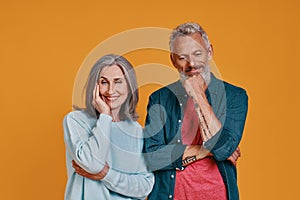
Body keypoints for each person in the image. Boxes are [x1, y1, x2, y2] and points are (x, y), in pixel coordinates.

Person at [143, 22, 248, 200]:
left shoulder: (235, 96)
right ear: (173, 60)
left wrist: (198, 94)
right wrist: (205, 150)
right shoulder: (159, 98)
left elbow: (223, 150)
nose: (191, 64)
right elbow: (152, 157)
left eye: (197, 54)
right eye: (182, 57)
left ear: (209, 52)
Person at [63, 54, 154, 200]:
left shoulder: (136, 130)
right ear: (95, 87)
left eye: (118, 82)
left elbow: (144, 187)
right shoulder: (76, 121)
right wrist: (105, 116)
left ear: (129, 86)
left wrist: (106, 174)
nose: (111, 90)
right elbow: (93, 164)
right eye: (104, 82)